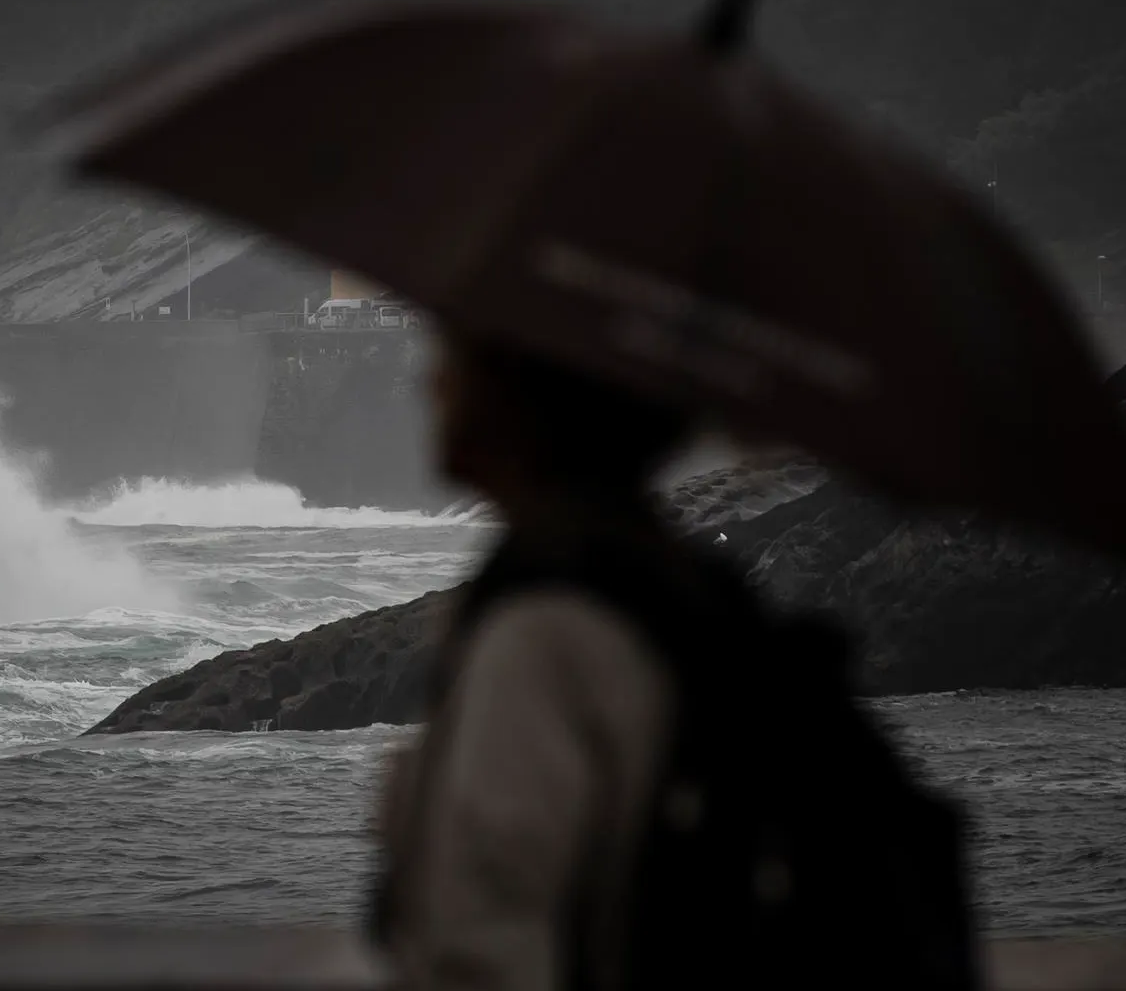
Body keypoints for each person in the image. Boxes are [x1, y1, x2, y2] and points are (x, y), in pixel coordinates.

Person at [368, 330, 980, 991]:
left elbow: (480, 942)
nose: (429, 385)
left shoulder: (543, 633)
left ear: (518, 399)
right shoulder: (675, 587)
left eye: (454, 361)